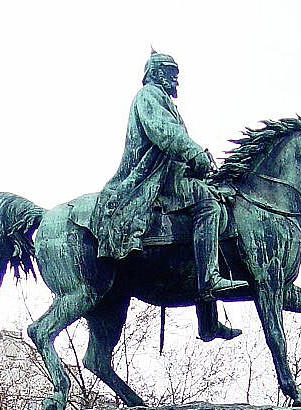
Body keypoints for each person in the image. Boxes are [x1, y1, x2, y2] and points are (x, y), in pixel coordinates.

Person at [91, 52, 244, 335]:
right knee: (208, 204)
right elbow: (166, 134)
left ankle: (208, 322)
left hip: (168, 176)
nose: (176, 81)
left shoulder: (161, 99)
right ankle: (209, 279)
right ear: (157, 73)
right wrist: (195, 153)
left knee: (213, 199)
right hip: (153, 179)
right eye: (172, 74)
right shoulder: (148, 95)